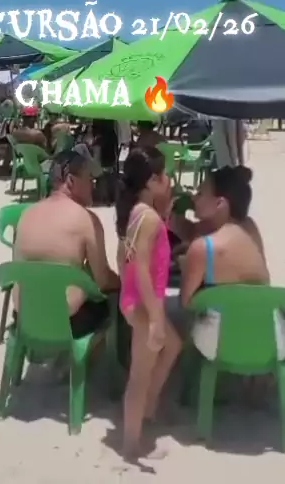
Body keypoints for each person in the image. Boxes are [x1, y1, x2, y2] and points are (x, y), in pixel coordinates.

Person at [177, 165, 285, 361]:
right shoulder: (250, 228)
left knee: (184, 317)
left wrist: (185, 268)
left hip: (222, 344)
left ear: (220, 203)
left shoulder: (202, 247)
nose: (194, 198)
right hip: (272, 340)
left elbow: (186, 303)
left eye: (200, 193)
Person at [116, 148, 182, 461]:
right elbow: (139, 265)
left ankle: (148, 410)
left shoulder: (140, 212)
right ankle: (131, 446)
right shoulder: (148, 217)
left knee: (173, 345)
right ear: (153, 179)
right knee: (139, 376)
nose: (168, 179)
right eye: (164, 174)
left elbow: (129, 257)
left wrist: (165, 212)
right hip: (144, 303)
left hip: (137, 299)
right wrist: (155, 316)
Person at [13, 150, 119, 337]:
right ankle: (98, 353)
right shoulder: (86, 220)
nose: (93, 185)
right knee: (115, 300)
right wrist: (123, 283)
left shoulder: (26, 214)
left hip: (25, 317)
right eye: (89, 178)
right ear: (71, 181)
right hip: (65, 322)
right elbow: (103, 281)